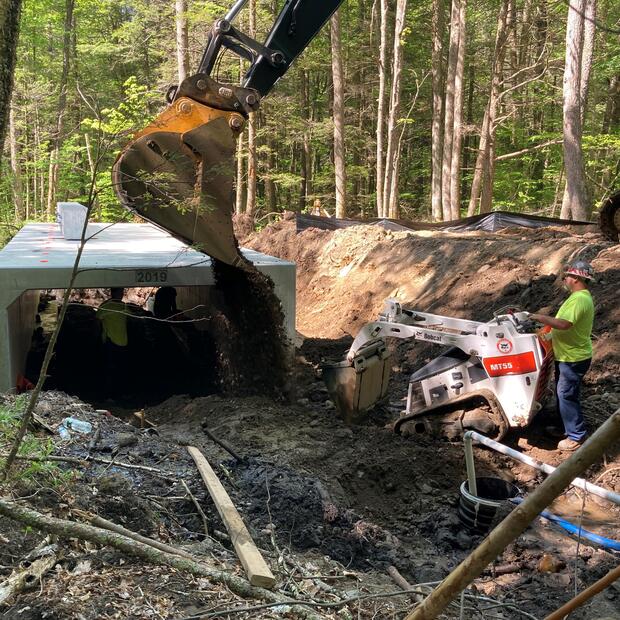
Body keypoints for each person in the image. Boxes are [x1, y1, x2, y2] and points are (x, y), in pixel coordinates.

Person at [529, 260, 595, 451]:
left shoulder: (580, 299)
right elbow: (563, 326)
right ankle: (564, 427)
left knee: (566, 394)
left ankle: (576, 436)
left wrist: (539, 317)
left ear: (575, 278)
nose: (564, 279)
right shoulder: (577, 297)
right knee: (562, 392)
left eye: (567, 276)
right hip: (566, 355)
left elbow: (565, 324)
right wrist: (546, 334)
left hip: (573, 358)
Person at [97, 287, 130, 395]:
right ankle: (116, 393)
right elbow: (132, 318)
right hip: (116, 341)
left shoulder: (105, 307)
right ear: (115, 293)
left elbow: (96, 319)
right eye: (120, 292)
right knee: (118, 369)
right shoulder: (123, 307)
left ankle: (112, 394)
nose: (121, 294)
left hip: (114, 341)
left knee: (112, 369)